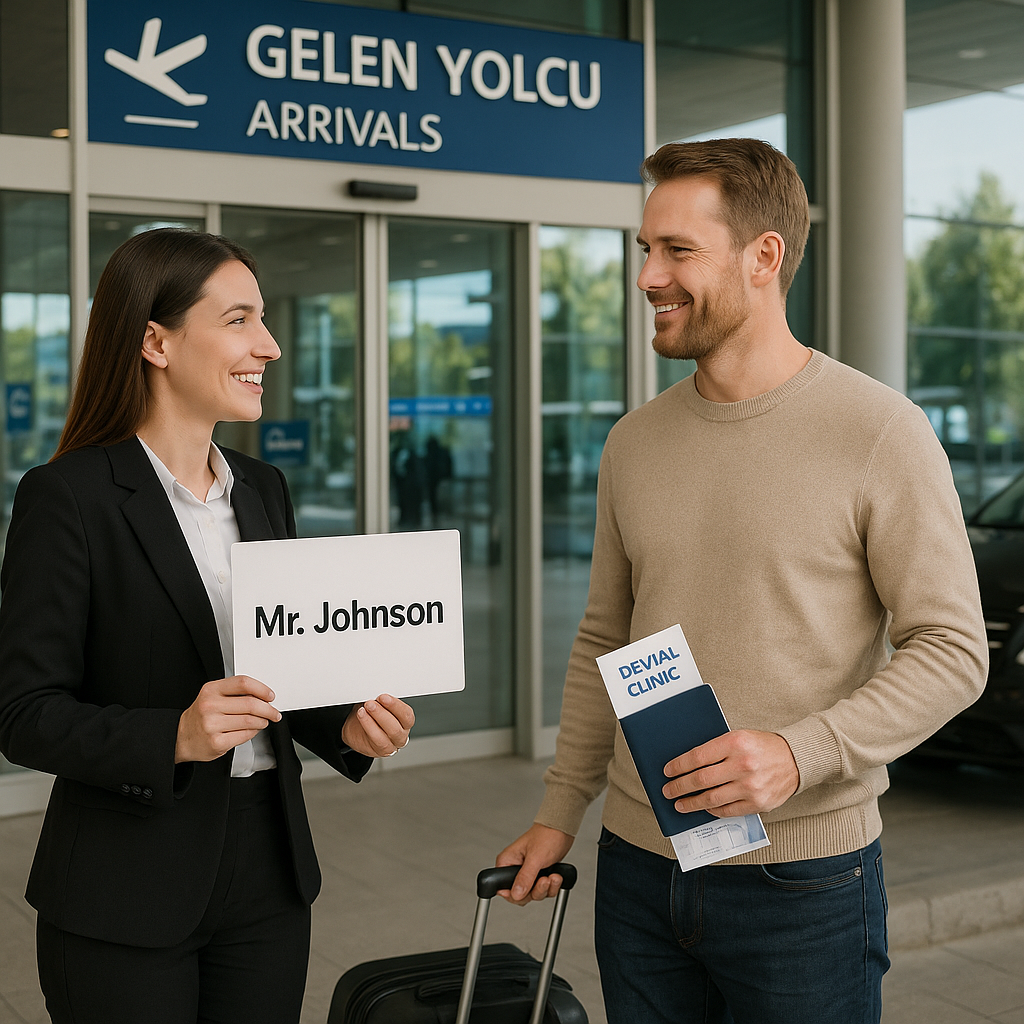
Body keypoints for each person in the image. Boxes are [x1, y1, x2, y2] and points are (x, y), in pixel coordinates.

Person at [496, 139, 988, 1023]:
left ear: (764, 257)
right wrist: (560, 810)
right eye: (645, 250)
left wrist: (801, 753)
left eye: (677, 251)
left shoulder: (879, 431)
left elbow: (953, 651)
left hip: (805, 885)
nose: (648, 276)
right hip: (639, 871)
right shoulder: (633, 443)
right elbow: (606, 639)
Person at [0, 228, 416, 1024]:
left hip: (268, 868)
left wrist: (347, 729)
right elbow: (23, 715)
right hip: (127, 881)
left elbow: (283, 670)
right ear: (155, 341)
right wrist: (176, 736)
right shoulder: (69, 497)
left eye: (262, 319)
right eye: (239, 320)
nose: (270, 345)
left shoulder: (262, 489)